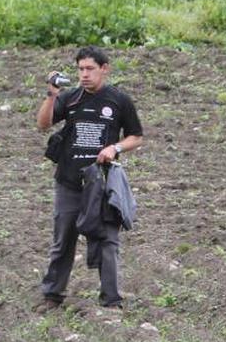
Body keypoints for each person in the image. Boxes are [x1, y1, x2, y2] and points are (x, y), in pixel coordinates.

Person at [35, 46, 144, 312]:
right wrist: (51, 95)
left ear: (104, 69)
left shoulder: (118, 100)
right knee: (64, 238)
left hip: (102, 182)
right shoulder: (70, 98)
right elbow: (43, 124)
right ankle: (52, 295)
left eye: (90, 69)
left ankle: (111, 299)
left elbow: (136, 136)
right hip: (69, 181)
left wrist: (114, 148)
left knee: (108, 239)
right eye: (80, 69)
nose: (84, 75)